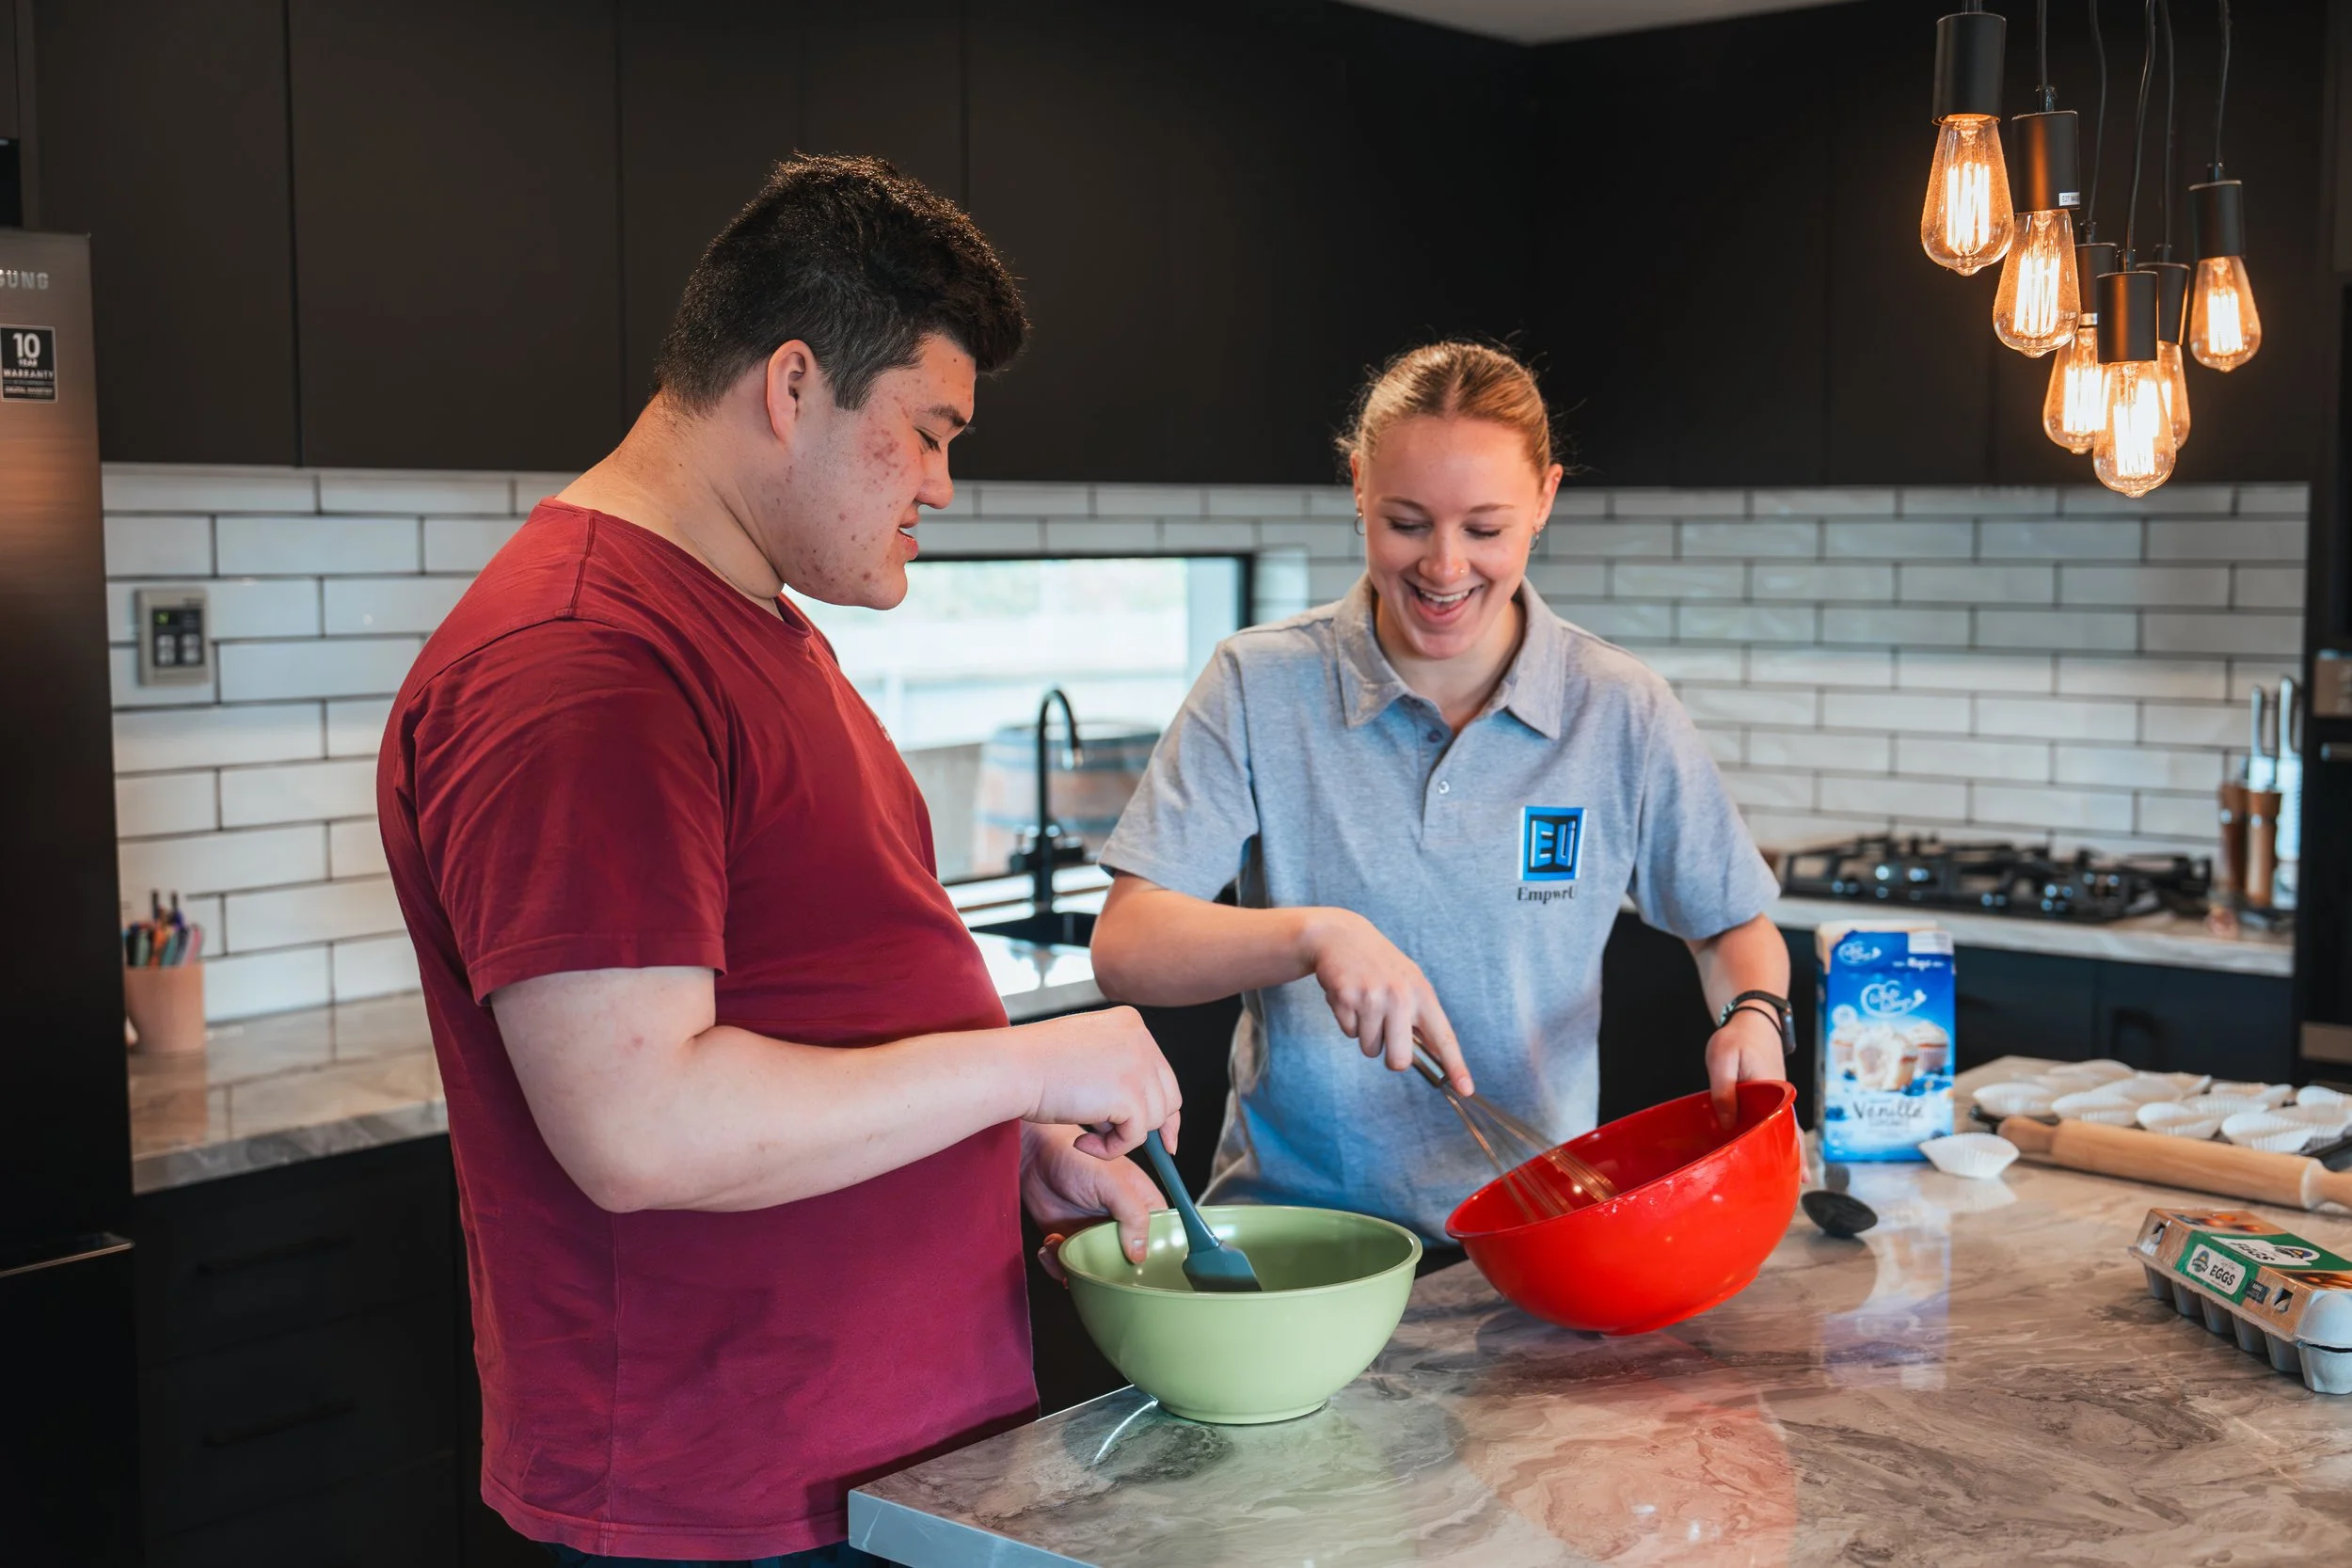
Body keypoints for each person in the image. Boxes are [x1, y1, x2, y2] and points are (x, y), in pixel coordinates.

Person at [378, 155, 1179, 1566]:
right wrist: (1031, 1065)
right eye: (928, 431)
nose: (943, 482)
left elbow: (819, 1012)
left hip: (878, 1454)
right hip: (725, 1498)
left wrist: (1005, 1146)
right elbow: (642, 1124)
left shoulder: (754, 616)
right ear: (793, 384)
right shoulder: (582, 666)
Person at [1088, 341, 1790, 1244]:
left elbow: (1731, 924)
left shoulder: (1618, 708)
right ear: (1357, 487)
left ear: (1546, 498)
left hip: (1539, 1236)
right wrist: (1315, 932)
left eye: (1486, 529)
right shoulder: (1259, 685)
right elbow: (1128, 944)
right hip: (1297, 1240)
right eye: (1408, 522)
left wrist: (1754, 1014)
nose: (1446, 567)